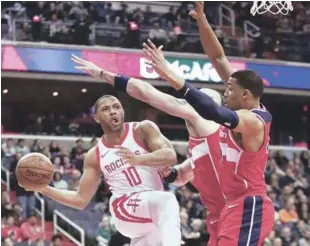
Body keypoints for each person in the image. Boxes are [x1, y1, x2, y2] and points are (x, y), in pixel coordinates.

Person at [147, 2, 274, 245]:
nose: (226, 93)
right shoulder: (244, 101)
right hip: (232, 206)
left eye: (230, 89)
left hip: (249, 204)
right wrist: (202, 20)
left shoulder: (253, 121)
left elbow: (213, 111)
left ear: (245, 95)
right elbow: (218, 57)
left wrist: (173, 78)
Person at [71, 55, 226, 245]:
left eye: (198, 100)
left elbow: (146, 92)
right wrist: (167, 172)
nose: (191, 103)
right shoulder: (204, 145)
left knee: (166, 203)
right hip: (220, 215)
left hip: (235, 209)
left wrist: (103, 73)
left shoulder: (206, 125)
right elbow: (180, 176)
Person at [19, 95, 181, 246]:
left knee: (157, 229)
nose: (112, 111)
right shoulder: (95, 155)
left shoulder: (143, 129)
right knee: (167, 202)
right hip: (124, 208)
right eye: (106, 109)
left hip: (149, 212)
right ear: (96, 118)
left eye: (116, 107)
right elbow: (80, 199)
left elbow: (170, 156)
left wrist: (138, 159)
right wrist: (43, 188)